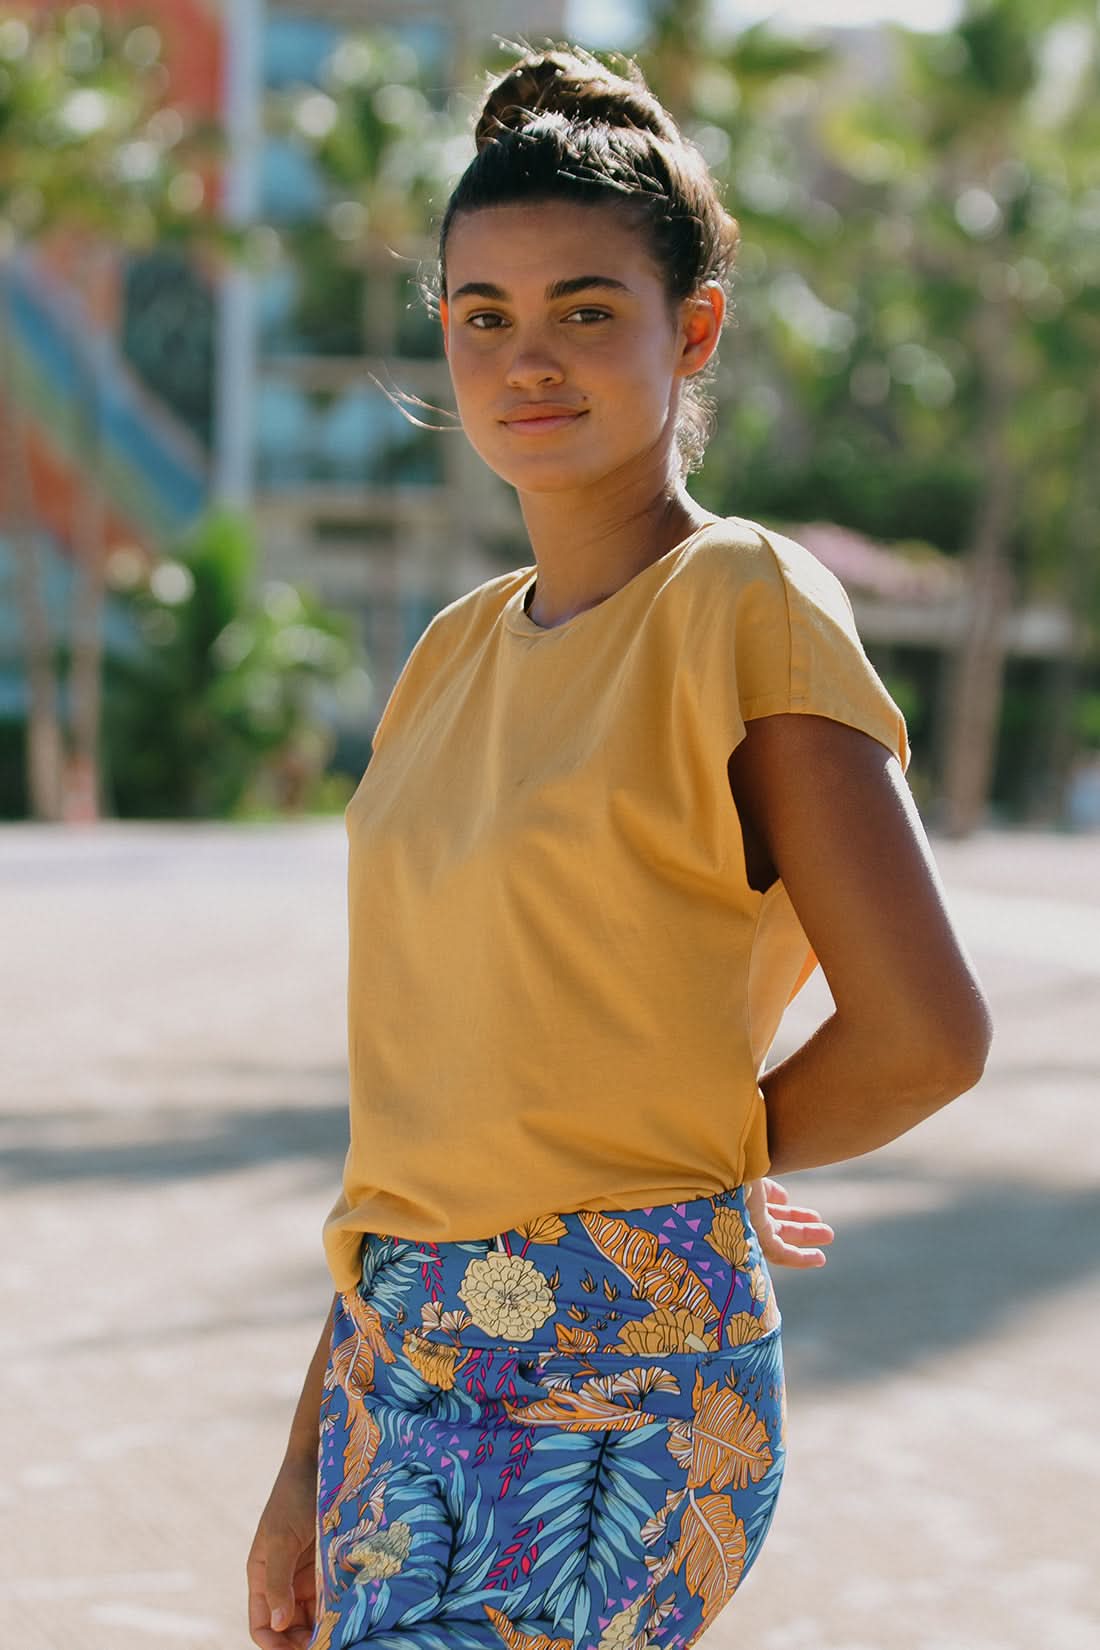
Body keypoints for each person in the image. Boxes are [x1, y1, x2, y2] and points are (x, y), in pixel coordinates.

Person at [247, 42, 992, 1650]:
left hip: (623, 1383)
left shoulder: (744, 605)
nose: (528, 359)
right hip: (396, 1367)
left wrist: (692, 1155)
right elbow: (431, 1111)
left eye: (586, 311)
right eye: (483, 316)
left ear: (692, 330)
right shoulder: (448, 654)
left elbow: (926, 1036)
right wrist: (307, 1449)